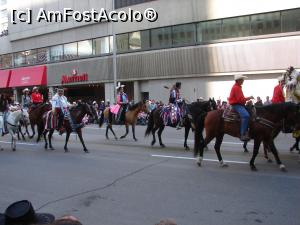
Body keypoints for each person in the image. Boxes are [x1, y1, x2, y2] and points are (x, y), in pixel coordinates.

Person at [228, 74, 254, 141]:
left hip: (239, 104)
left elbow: (241, 99)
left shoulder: (238, 87)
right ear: (238, 80)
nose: (243, 81)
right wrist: (249, 98)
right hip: (237, 105)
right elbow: (240, 99)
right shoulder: (236, 88)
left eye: (242, 79)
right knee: (246, 116)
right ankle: (242, 134)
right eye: (242, 79)